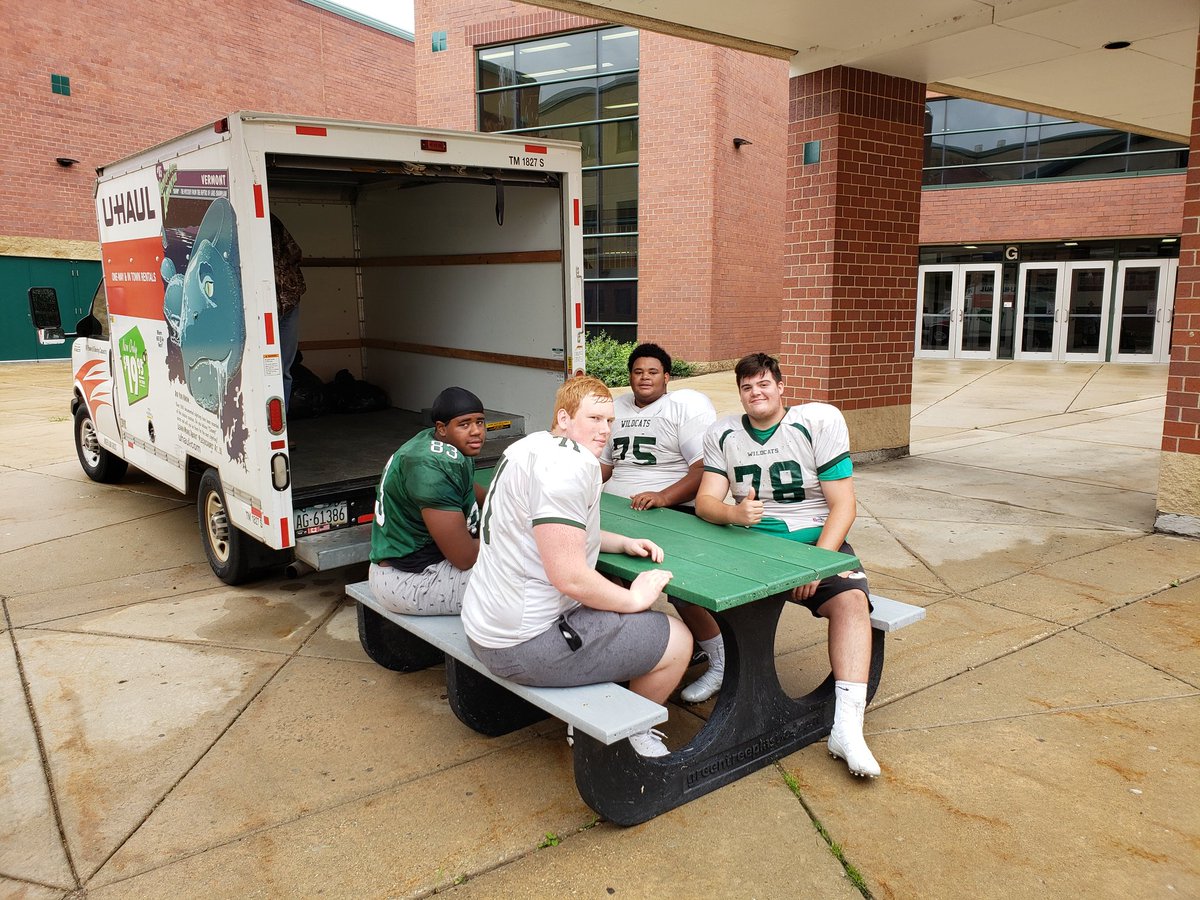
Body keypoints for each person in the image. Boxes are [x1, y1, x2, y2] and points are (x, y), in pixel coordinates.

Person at [461, 376, 692, 757]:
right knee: (676, 638)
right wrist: (634, 599)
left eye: (610, 421)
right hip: (520, 645)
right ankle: (626, 735)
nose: (605, 431)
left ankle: (603, 700)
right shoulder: (567, 465)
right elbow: (569, 577)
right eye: (594, 419)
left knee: (623, 611)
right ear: (564, 419)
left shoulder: (530, 447)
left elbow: (547, 531)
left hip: (485, 625)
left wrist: (621, 543)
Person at [695, 353, 880, 778]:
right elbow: (706, 502)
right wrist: (734, 514)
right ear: (739, 393)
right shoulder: (724, 432)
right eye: (747, 387)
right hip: (750, 543)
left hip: (812, 539)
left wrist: (814, 566)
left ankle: (848, 728)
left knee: (852, 602)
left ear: (780, 386)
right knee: (684, 579)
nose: (756, 393)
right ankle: (723, 665)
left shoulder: (816, 422)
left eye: (763, 384)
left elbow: (843, 505)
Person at [599, 343, 724, 703]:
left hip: (670, 514)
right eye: (638, 372)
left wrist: (664, 496)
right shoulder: (617, 407)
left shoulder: (685, 406)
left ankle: (720, 661)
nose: (644, 378)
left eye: (653, 372)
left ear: (667, 377)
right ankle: (644, 649)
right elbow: (606, 466)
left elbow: (704, 469)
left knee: (682, 588)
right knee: (605, 574)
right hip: (620, 511)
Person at [368, 387, 488, 615]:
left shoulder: (443, 444)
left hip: (426, 565)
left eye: (480, 422)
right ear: (442, 428)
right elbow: (464, 558)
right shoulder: (429, 466)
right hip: (408, 580)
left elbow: (466, 487)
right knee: (532, 576)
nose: (476, 431)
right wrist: (511, 537)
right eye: (464, 424)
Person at [270, 213, 305, 411]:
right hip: (275, 302)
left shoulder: (271, 221)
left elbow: (295, 252)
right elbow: (296, 252)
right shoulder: (269, 220)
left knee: (279, 369)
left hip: (286, 302)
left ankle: (279, 431)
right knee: (278, 369)